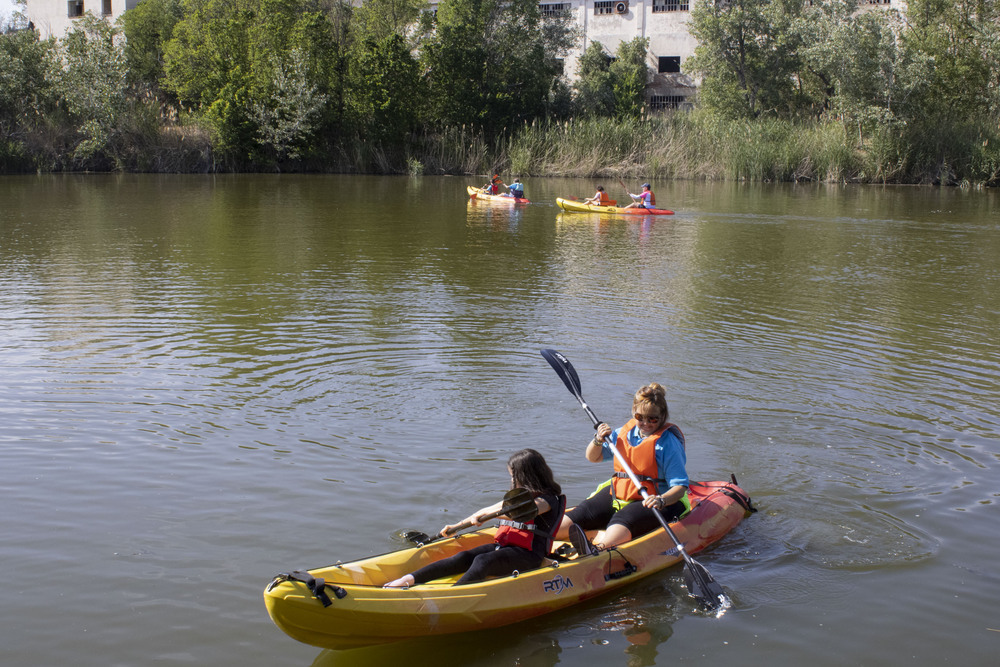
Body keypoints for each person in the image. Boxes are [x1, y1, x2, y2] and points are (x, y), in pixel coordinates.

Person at [385, 449, 565, 587]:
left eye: (513, 476)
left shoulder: (548, 500)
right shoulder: (520, 498)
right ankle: (407, 579)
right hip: (506, 547)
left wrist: (487, 517)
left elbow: (527, 512)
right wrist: (457, 524)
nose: (511, 480)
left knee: (483, 561)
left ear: (525, 476)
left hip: (531, 555)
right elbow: (488, 509)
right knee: (464, 557)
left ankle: (454, 594)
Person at [555, 383, 688, 552]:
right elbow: (593, 457)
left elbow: (680, 487)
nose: (646, 423)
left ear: (662, 416)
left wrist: (661, 500)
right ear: (634, 412)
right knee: (582, 513)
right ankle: (542, 537)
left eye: (652, 419)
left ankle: (597, 551)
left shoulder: (668, 443)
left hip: (656, 498)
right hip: (620, 493)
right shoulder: (624, 433)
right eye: (640, 417)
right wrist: (597, 440)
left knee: (622, 520)